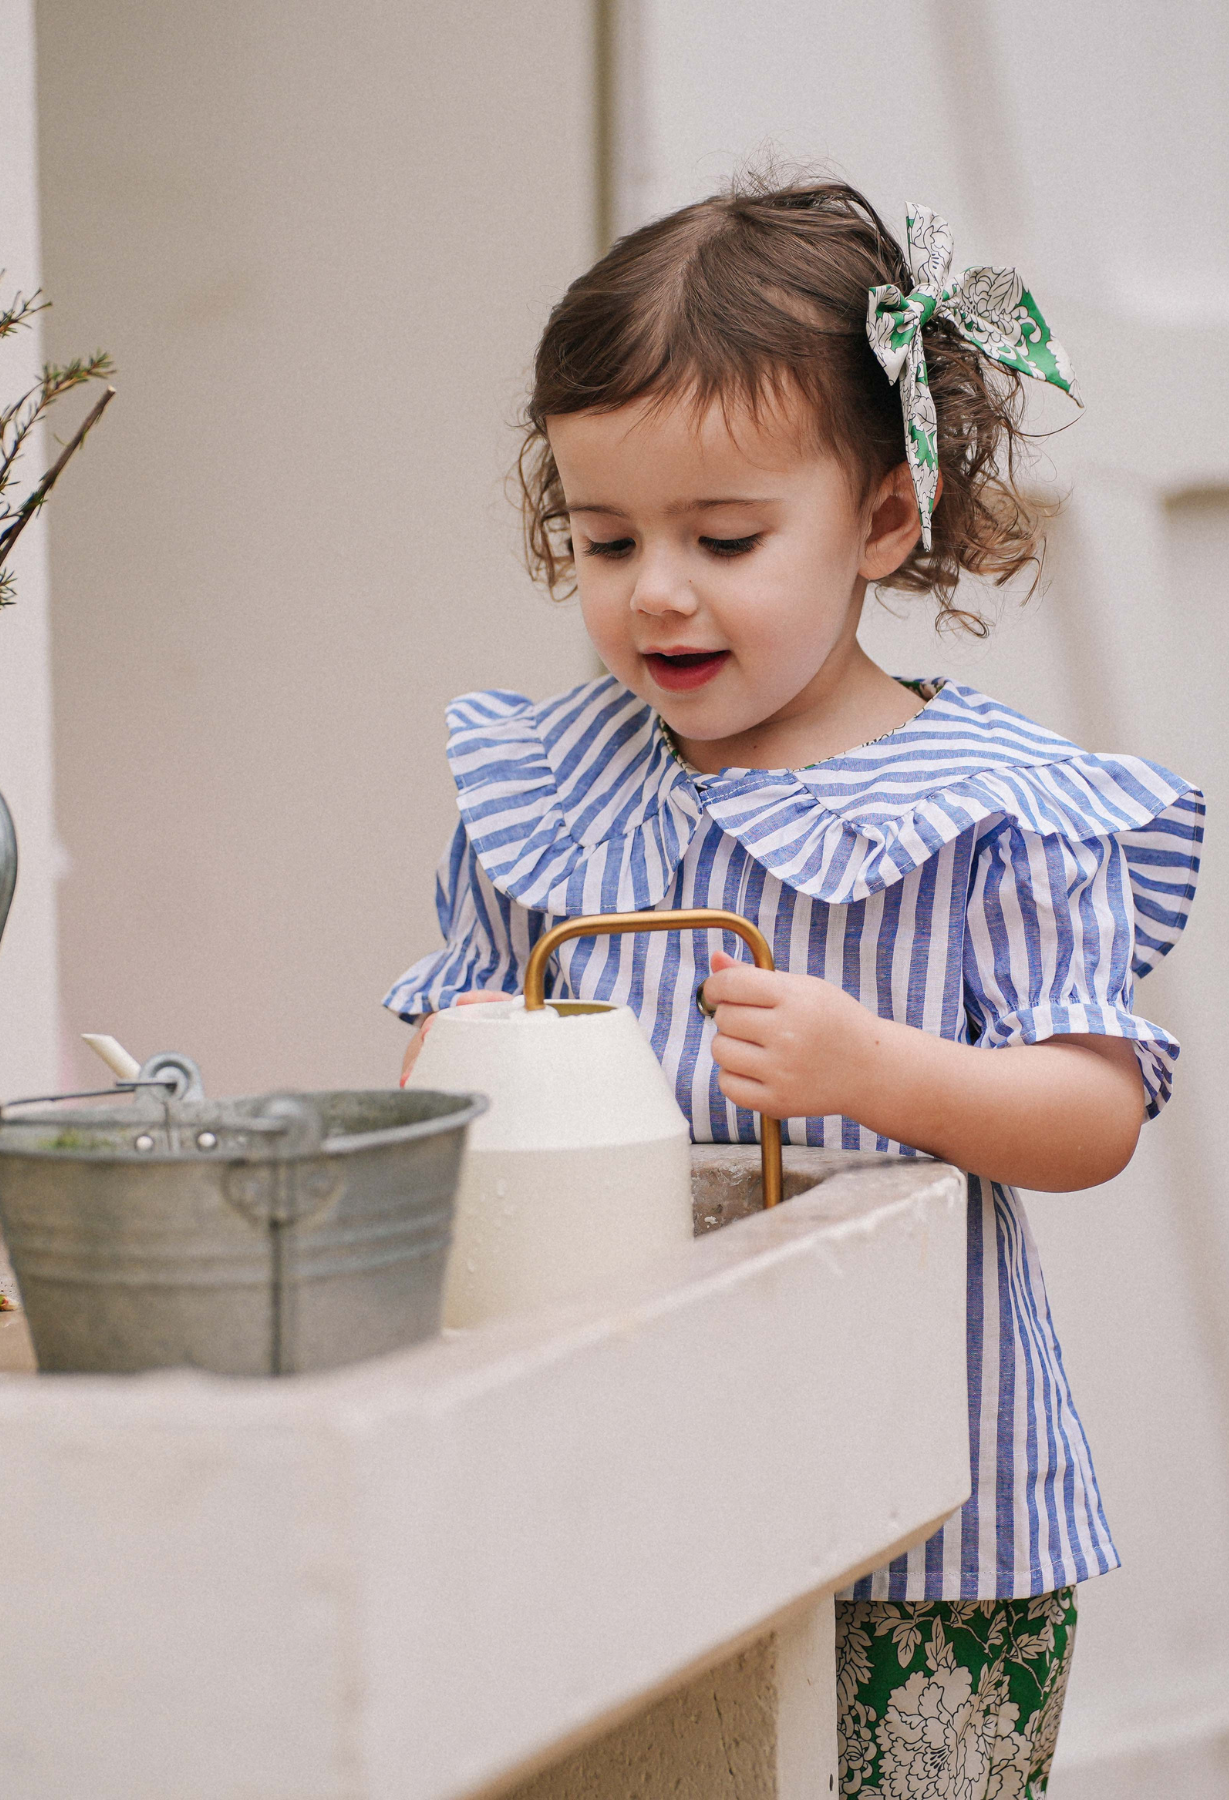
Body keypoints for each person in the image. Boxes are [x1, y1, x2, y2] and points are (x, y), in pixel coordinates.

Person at [385, 175, 1203, 1796]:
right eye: (604, 538)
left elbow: (1090, 1115)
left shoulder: (993, 810)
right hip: (625, 1487)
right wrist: (452, 1059)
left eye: (726, 539)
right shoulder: (548, 790)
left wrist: (873, 1067)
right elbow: (441, 1035)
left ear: (884, 520)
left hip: (930, 1512)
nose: (656, 591)